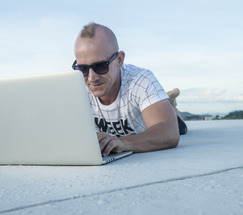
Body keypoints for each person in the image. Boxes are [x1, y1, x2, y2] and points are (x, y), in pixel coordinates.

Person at [72, 23, 187, 157]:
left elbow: (169, 132)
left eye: (101, 66)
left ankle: (170, 104)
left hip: (151, 126)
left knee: (180, 127)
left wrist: (122, 143)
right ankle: (162, 97)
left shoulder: (141, 81)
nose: (92, 78)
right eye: (83, 69)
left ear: (119, 60)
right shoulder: (76, 86)